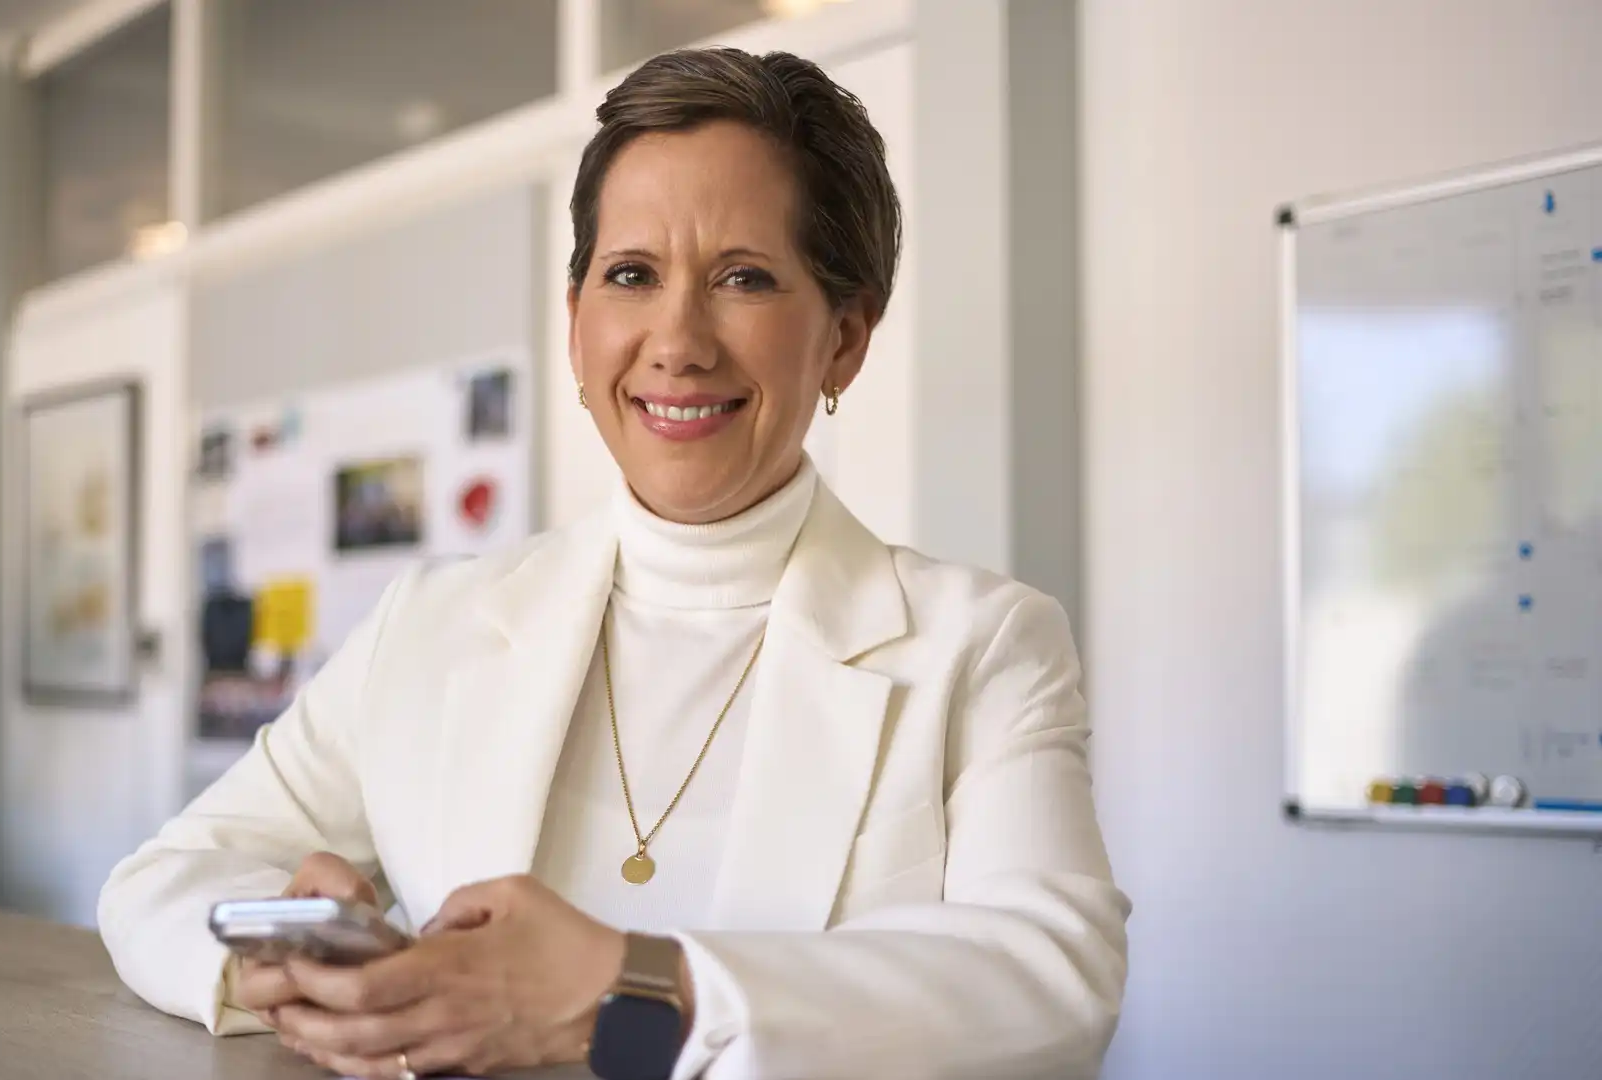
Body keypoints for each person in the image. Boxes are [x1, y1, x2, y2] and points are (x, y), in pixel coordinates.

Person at [99, 46, 1130, 1080]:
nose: (677, 342)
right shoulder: (431, 624)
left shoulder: (984, 646)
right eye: (631, 276)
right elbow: (165, 879)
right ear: (577, 320)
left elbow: (1052, 980)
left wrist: (629, 986)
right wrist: (278, 965)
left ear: (846, 339)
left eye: (743, 279)